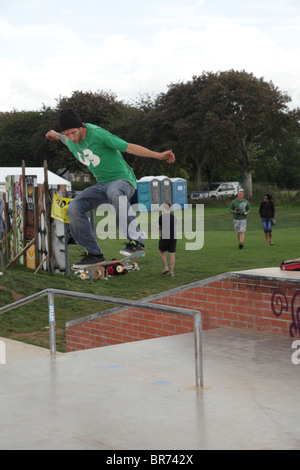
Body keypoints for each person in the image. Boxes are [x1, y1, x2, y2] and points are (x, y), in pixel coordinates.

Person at [46, 108, 175, 268]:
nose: (72, 138)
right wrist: (56, 135)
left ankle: (136, 241)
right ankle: (95, 254)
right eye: (68, 135)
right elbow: (63, 138)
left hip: (123, 181)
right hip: (101, 185)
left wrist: (159, 155)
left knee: (114, 191)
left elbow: (129, 147)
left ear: (82, 127)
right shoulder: (69, 139)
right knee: (74, 207)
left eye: (74, 133)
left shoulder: (99, 135)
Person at [158, 202, 177, 277]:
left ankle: (166, 267)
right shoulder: (173, 217)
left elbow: (159, 227)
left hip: (165, 237)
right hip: (173, 237)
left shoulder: (161, 217)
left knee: (161, 252)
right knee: (172, 254)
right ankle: (171, 272)